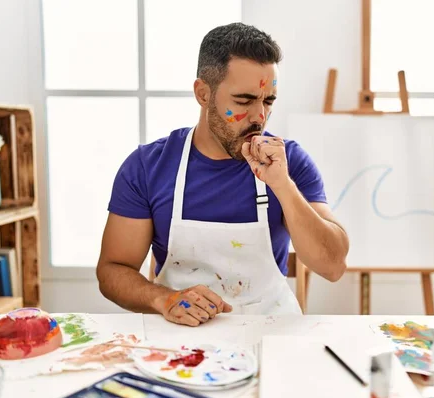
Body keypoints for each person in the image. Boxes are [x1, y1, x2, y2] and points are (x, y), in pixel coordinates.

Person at [96, 22, 349, 326]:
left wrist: (282, 186)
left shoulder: (290, 162)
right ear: (203, 93)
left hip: (271, 333)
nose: (260, 117)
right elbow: (112, 270)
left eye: (268, 101)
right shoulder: (148, 167)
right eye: (244, 101)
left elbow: (333, 266)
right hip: (181, 340)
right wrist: (161, 298)